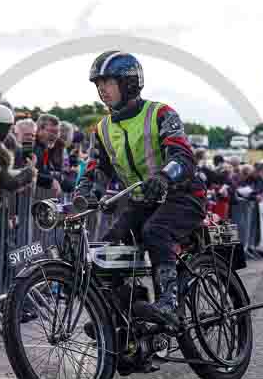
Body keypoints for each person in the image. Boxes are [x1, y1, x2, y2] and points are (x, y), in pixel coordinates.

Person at [76, 51, 206, 336]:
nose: (101, 90)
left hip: (183, 196)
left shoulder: (160, 114)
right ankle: (126, 314)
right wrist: (84, 195)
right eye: (98, 84)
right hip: (141, 201)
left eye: (108, 82)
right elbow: (97, 169)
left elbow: (183, 157)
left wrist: (163, 176)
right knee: (109, 248)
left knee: (155, 231)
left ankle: (169, 304)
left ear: (129, 83)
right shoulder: (101, 129)